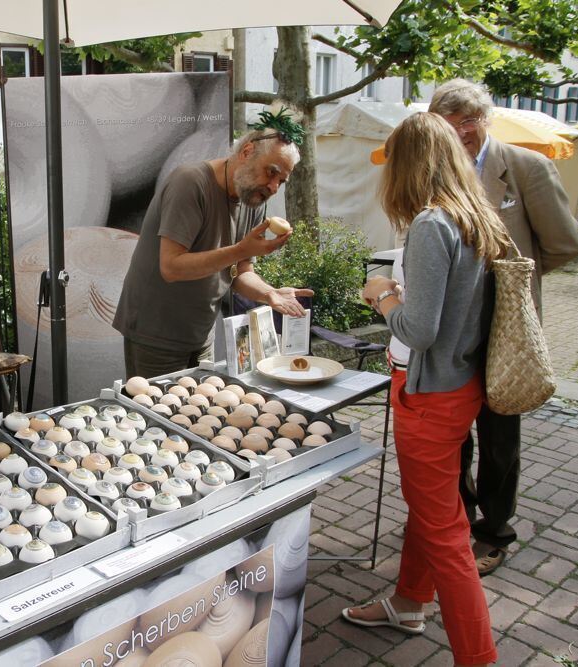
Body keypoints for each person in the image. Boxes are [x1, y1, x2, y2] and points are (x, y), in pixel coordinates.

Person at [342, 112, 511, 667]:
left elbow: (418, 329)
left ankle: (478, 656)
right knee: (431, 509)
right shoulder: (475, 217)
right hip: (458, 386)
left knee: (446, 533)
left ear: (408, 166)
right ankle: (409, 602)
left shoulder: (430, 225)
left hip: (430, 396)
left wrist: (381, 295)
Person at [429, 80, 578, 576]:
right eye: (449, 129)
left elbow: (564, 244)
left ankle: (495, 531)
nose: (459, 137)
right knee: (454, 433)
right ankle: (458, 518)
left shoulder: (526, 167)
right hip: (452, 330)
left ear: (483, 121)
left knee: (499, 439)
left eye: (467, 126)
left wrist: (514, 289)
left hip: (504, 332)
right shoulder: (435, 172)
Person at [113, 110, 313, 378]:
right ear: (246, 152)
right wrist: (242, 249)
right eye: (271, 172)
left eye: (281, 181)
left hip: (200, 333)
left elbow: (240, 272)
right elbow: (171, 268)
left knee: (197, 414)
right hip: (156, 332)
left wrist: (269, 294)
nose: (274, 187)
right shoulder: (191, 182)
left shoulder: (252, 197)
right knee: (157, 415)